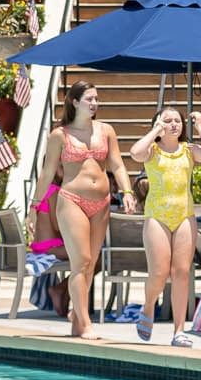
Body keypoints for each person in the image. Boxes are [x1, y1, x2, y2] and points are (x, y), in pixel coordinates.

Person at [32, 82, 133, 340]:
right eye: (89, 98)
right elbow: (46, 175)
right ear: (75, 102)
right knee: (82, 262)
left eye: (97, 99)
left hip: (101, 204)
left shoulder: (106, 131)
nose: (94, 103)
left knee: (90, 266)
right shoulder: (60, 135)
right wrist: (35, 207)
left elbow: (118, 165)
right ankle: (86, 323)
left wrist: (127, 191)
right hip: (72, 201)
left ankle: (77, 320)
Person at [126, 108, 201, 346]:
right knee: (159, 273)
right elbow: (134, 152)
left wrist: (200, 126)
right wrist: (156, 130)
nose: (174, 124)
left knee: (181, 272)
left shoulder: (188, 151)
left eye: (177, 121)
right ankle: (148, 307)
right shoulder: (152, 151)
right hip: (157, 216)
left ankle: (179, 331)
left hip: (184, 216)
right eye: (168, 121)